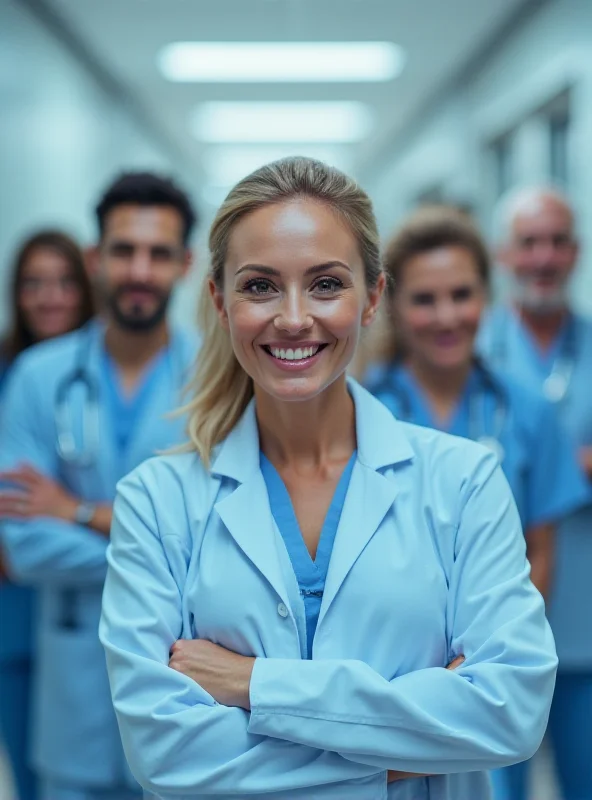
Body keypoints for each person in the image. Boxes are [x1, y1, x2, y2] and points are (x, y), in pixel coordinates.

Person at [100, 157, 557, 800]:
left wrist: (253, 685)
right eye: (259, 286)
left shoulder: (464, 481)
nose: (292, 318)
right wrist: (413, 743)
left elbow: (510, 712)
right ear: (218, 301)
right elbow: (165, 754)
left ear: (372, 297)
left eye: (325, 285)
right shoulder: (156, 501)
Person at [0, 171, 199, 800]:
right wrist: (161, 547)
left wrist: (77, 511)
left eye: (159, 253)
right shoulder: (38, 376)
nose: (140, 269)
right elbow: (22, 546)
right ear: (96, 259)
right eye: (124, 250)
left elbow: (221, 543)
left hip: (185, 694)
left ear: (186, 264)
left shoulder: (220, 377)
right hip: (74, 689)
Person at [363, 205, 588, 602]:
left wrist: (498, 652)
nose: (446, 317)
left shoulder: (529, 410)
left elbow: (540, 556)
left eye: (461, 295)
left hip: (497, 649)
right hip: (389, 652)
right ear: (390, 304)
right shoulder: (360, 410)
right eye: (424, 300)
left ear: (486, 296)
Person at [479, 186, 592, 800]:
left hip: (584, 625)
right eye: (529, 242)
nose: (543, 257)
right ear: (504, 254)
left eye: (557, 242)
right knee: (492, 789)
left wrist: (561, 464)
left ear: (575, 253)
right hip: (485, 631)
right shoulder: (466, 348)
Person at [0, 229, 95, 800]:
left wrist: (68, 514)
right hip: (15, 614)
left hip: (91, 613)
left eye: (63, 282)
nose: (50, 297)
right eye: (33, 283)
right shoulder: (9, 376)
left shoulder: (105, 373)